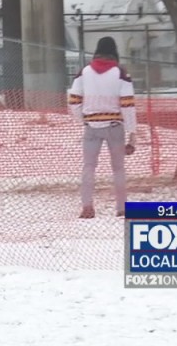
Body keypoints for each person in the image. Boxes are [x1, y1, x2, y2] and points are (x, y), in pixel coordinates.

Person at [67, 36, 137, 219]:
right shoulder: (120, 73)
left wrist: (83, 119)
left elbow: (73, 100)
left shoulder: (84, 72)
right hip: (115, 127)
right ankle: (122, 208)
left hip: (92, 126)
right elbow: (128, 105)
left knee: (89, 167)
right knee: (118, 168)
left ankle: (87, 207)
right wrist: (132, 134)